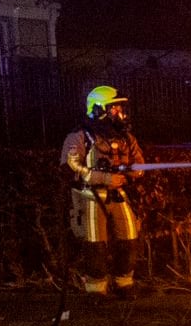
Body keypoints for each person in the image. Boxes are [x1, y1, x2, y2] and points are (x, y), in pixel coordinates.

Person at [60, 85, 147, 296]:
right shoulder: (80, 136)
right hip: (90, 196)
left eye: (120, 108)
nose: (120, 113)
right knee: (95, 244)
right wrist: (103, 177)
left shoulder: (126, 137)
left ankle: (124, 282)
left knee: (130, 237)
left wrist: (130, 173)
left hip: (118, 193)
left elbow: (139, 164)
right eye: (114, 108)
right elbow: (70, 167)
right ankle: (96, 287)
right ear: (98, 109)